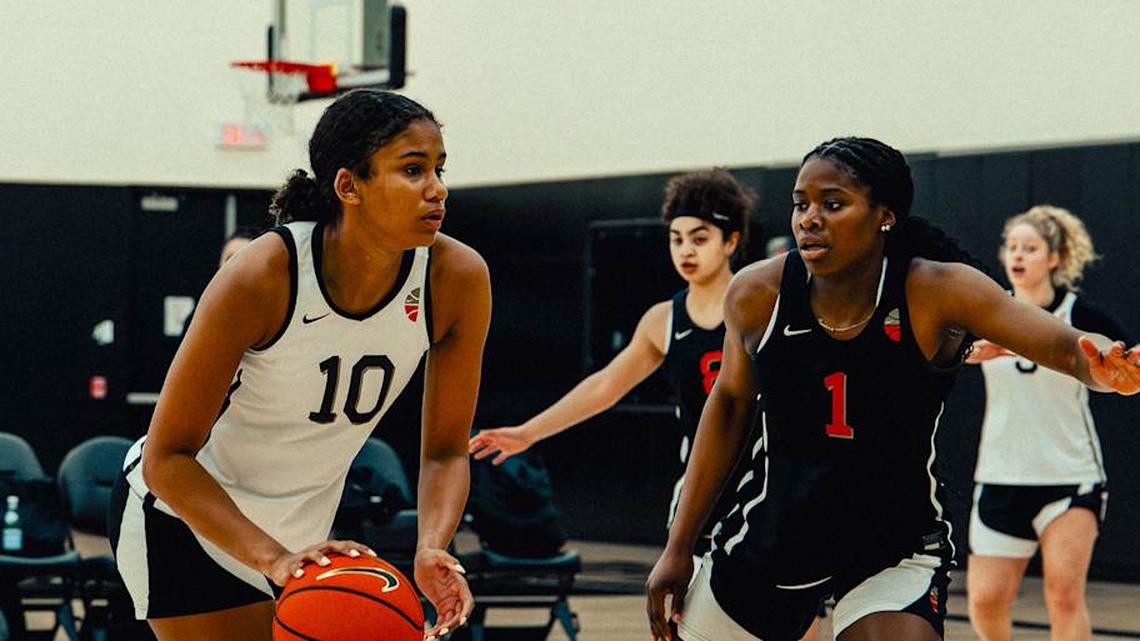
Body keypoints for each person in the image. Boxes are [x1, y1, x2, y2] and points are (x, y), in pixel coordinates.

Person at [645, 137, 1140, 641]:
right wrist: (678, 546)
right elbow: (729, 402)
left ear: (884, 215)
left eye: (832, 204)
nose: (808, 218)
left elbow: (1063, 343)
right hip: (772, 540)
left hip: (891, 545)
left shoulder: (936, 289)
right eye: (801, 204)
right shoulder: (758, 292)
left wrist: (1103, 365)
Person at [108, 89, 490, 641]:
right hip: (183, 519)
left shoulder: (457, 278)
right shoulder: (262, 275)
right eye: (412, 170)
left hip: (302, 537)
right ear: (348, 185)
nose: (437, 189)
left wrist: (432, 544)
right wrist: (272, 558)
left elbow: (447, 450)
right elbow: (167, 460)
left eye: (439, 168)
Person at [468, 168, 753, 558]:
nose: (686, 250)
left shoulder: (757, 305)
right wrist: (528, 432)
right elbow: (605, 386)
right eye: (677, 239)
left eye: (700, 239)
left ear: (730, 241)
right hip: (702, 487)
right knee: (683, 610)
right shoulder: (662, 319)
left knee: (786, 614)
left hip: (764, 479)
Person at [966, 206, 1129, 641]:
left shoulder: (1085, 317)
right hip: (1000, 476)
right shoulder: (987, 311)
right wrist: (966, 353)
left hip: (1069, 478)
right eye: (1012, 247)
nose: (1018, 255)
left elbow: (1122, 374)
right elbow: (943, 353)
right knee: (984, 600)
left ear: (1054, 258)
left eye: (1030, 248)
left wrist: (1123, 373)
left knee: (1064, 596)